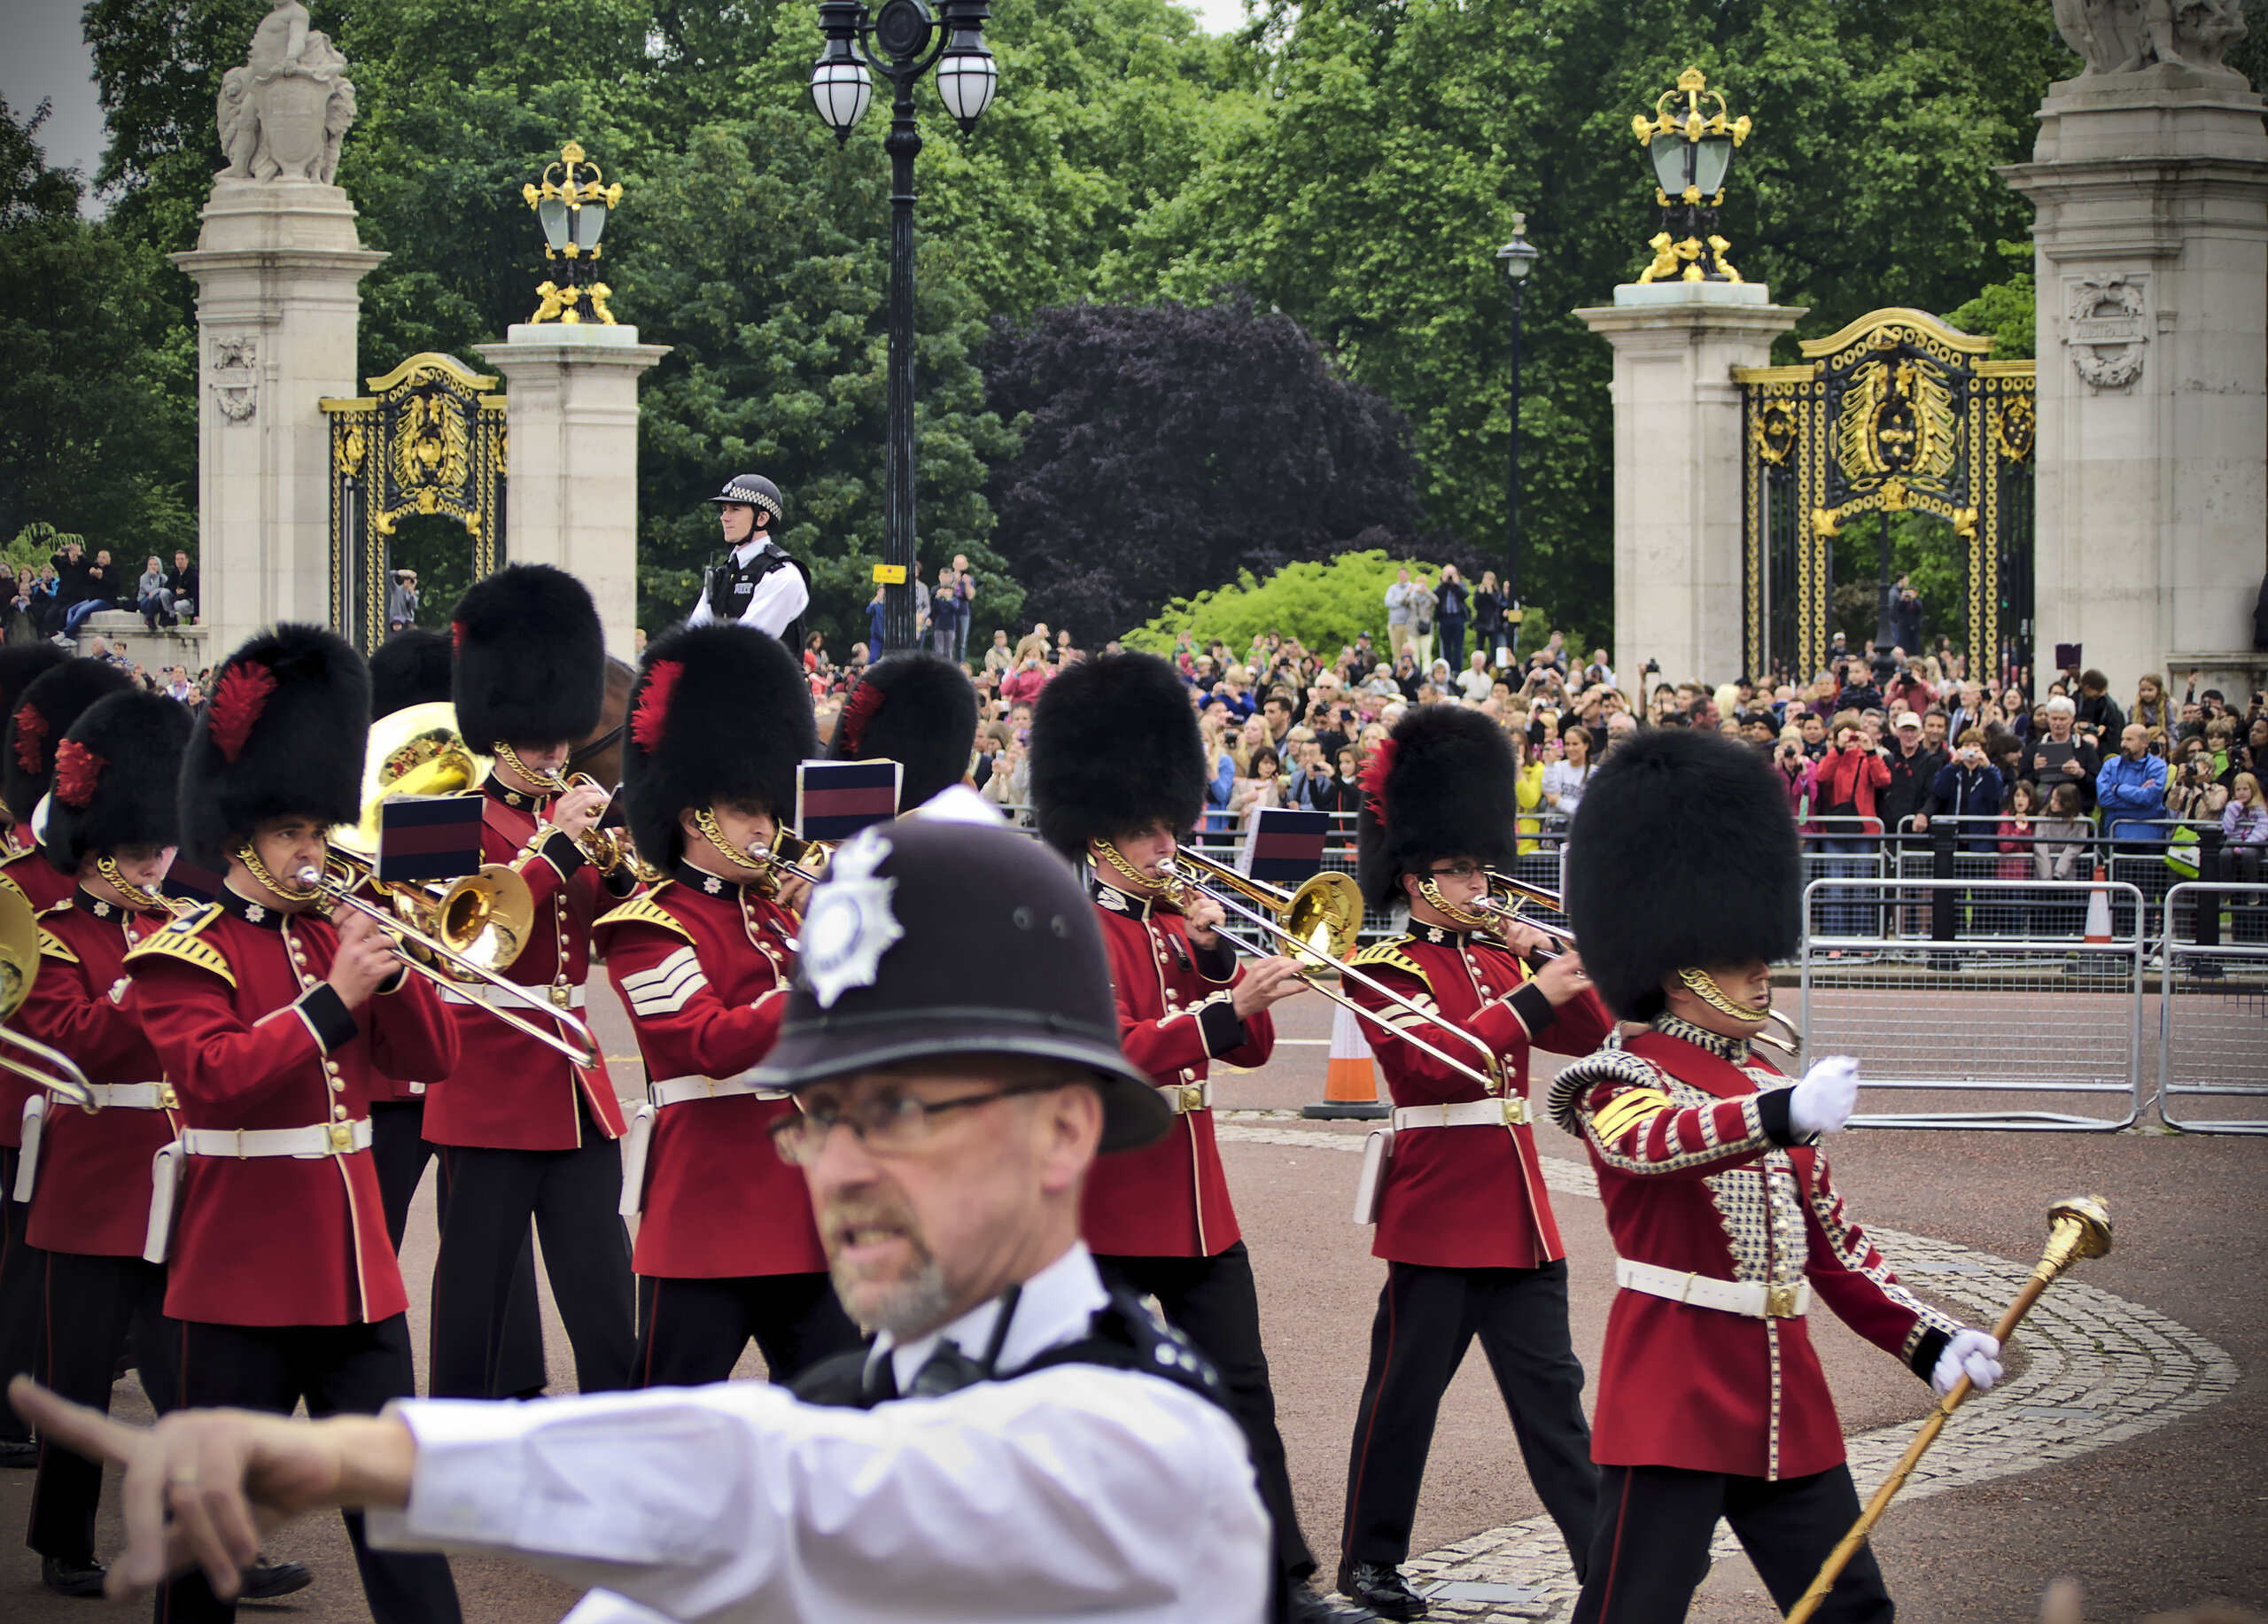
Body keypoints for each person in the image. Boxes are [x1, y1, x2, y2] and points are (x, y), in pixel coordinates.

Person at [11, 818, 1274, 1623]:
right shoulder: (874, 1398)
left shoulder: (1147, 1438)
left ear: (1064, 1131)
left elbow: (778, 1481)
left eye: (901, 1110)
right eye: (820, 1115)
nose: (842, 1167)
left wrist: (362, 1461)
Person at [1553, 728, 2002, 1624]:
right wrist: (1777, 1117)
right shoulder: (1620, 1078)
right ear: (1677, 972)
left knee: (1852, 1611)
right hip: (1672, 1399)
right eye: (1734, 956)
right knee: (1630, 1613)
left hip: (1782, 1398)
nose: (1761, 968)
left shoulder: (1768, 1087)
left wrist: (1927, 1339)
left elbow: (1834, 1254)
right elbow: (1656, 1144)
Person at [124, 623, 464, 1624]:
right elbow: (215, 1078)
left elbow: (434, 1063)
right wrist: (333, 1002)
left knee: (398, 1516)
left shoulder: (340, 932)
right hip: (240, 1276)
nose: (314, 852)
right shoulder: (180, 955)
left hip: (357, 1272)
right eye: (291, 836)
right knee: (210, 1537)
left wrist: (392, 978)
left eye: (319, 832)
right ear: (240, 837)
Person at [1029, 651, 1354, 1623]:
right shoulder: (1072, 926)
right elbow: (1113, 1051)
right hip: (1114, 1202)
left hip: (1198, 1203)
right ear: (1099, 834)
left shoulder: (1177, 929)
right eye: (1148, 828)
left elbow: (1246, 1050)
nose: (1170, 844)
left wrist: (1223, 963)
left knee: (1243, 1394)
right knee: (1111, 1409)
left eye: (1171, 823)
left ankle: (1278, 1584)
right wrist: (1217, 1013)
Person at [1334, 704, 1612, 1620]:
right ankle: (1368, 1562)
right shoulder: (1383, 965)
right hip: (1439, 1209)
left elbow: (1588, 1035)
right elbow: (1429, 1063)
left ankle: (1606, 1561)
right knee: (1403, 1399)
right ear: (1415, 879)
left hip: (1518, 1210)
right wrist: (1529, 989)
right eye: (1457, 867)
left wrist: (1550, 960)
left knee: (1555, 1403)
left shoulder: (1501, 958)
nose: (1478, 879)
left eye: (1477, 863)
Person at [596, 625, 863, 1390]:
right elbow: (704, 1042)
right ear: (691, 815)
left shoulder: (784, 916)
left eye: (769, 810)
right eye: (747, 809)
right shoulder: (647, 924)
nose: (766, 828)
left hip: (806, 1212)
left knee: (846, 1424)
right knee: (669, 1433)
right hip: (707, 1216)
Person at [423, 566, 638, 1404]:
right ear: (499, 730)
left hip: (574, 1081)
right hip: (489, 1082)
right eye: (540, 737)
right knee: (474, 1291)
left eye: (562, 736)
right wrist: (554, 849)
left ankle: (624, 1439)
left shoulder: (581, 819)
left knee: (602, 1285)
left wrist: (620, 873)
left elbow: (612, 937)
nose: (556, 751)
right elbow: (471, 940)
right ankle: (454, 1448)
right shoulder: (453, 822)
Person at [12, 692, 208, 1597]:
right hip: (92, 1181)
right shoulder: (55, 939)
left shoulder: (185, 926)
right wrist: (144, 978)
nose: (159, 863)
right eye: (141, 852)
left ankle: (204, 1542)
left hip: (180, 1175)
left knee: (191, 1379)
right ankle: (63, 1542)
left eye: (163, 848)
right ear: (96, 852)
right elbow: (73, 1041)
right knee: (80, 1378)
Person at [359, 631, 549, 1394]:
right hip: (393, 1055)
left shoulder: (476, 801)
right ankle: (374, 1386)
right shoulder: (383, 802)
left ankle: (512, 1373)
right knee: (374, 1243)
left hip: (457, 1049)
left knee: (484, 1237)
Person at [687, 473, 809, 646]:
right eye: (724, 509)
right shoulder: (721, 575)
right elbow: (692, 636)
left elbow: (744, 645)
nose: (724, 517)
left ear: (761, 518)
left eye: (735, 509)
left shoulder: (781, 575)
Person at [2096, 722, 2170, 844]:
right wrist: (2139, 796)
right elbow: (2104, 798)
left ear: (2144, 743)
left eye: (2129, 739)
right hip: (2116, 835)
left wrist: (2118, 789)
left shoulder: (2158, 766)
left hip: (2149, 837)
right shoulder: (2111, 765)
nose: (2123, 744)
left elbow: (2149, 798)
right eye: (2122, 739)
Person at [1542, 725, 1597, 819]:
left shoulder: (1594, 772)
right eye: (1567, 744)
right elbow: (1549, 794)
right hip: (1556, 826)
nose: (1570, 748)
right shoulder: (1557, 767)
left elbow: (1586, 809)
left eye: (1575, 744)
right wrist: (1549, 766)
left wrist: (1559, 802)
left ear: (1586, 746)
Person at [1433, 564, 1469, 672]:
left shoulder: (1460, 585)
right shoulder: (1441, 586)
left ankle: (1457, 670)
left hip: (1458, 617)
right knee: (1445, 646)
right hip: (1444, 618)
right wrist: (1444, 583)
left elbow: (1464, 595)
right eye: (1447, 574)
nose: (1449, 577)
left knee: (1458, 645)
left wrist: (1455, 584)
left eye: (1451, 574)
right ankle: (1447, 669)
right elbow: (1435, 595)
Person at [1472, 571, 1506, 668]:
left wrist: (1490, 593)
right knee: (1479, 646)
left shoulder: (1496, 593)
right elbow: (1476, 605)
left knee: (1493, 646)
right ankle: (1479, 664)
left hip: (1493, 623)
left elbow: (1496, 606)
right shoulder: (1479, 591)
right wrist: (1481, 594)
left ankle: (1494, 665)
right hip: (1481, 622)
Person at [134, 556, 175, 632]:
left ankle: (166, 619)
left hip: (157, 602)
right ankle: (149, 619)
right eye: (150, 564)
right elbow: (150, 590)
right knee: (155, 598)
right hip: (144, 602)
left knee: (162, 597)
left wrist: (157, 590)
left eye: (155, 564)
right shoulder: (144, 577)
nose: (153, 566)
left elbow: (167, 590)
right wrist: (155, 577)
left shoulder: (163, 577)